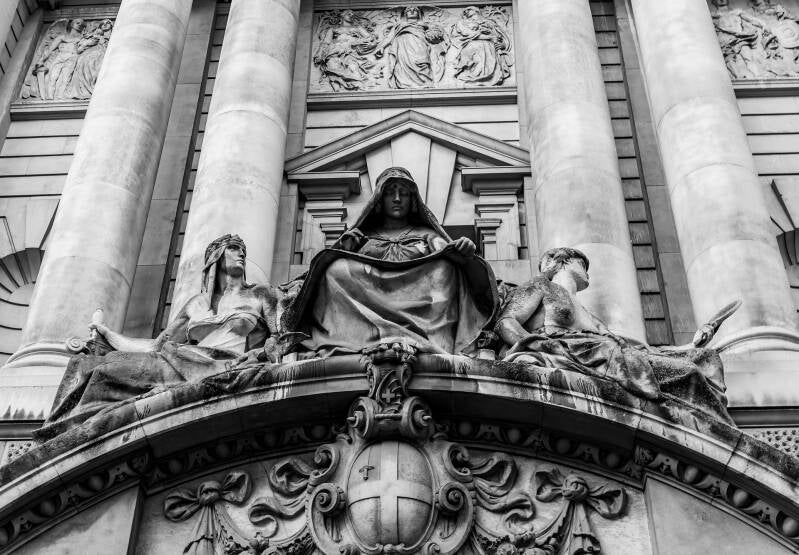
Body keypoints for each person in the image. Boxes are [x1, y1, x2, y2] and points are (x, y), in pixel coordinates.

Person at [38, 234, 280, 438]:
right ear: (216, 256)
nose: (241, 254)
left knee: (104, 373)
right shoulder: (195, 304)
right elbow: (156, 346)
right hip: (180, 360)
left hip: (226, 364)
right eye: (234, 248)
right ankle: (69, 436)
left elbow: (279, 336)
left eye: (243, 250)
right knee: (101, 371)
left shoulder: (259, 294)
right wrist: (109, 335)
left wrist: (264, 353)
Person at [281, 166, 498, 357]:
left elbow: (447, 252)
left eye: (403, 193)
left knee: (445, 268)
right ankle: (352, 336)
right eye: (389, 193)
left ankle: (433, 339)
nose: (396, 198)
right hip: (371, 291)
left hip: (418, 294)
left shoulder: (426, 234)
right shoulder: (362, 237)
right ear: (379, 199)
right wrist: (345, 248)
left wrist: (463, 248)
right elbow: (325, 267)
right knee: (335, 270)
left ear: (412, 200)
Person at [495, 247, 732, 421]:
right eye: (582, 264)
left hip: (612, 356)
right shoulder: (541, 285)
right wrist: (536, 344)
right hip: (572, 351)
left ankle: (714, 432)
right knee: (689, 374)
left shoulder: (590, 316)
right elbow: (506, 322)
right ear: (564, 262)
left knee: (703, 360)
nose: (587, 271)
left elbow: (633, 349)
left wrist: (690, 346)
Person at [375, 7, 446, 89]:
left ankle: (425, 82)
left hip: (420, 45)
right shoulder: (400, 25)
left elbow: (438, 33)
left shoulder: (424, 24)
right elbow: (389, 37)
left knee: (422, 63)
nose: (412, 12)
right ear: (405, 14)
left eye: (415, 10)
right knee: (402, 66)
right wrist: (381, 47)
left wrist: (435, 34)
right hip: (402, 47)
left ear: (419, 14)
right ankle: (404, 84)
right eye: (409, 10)